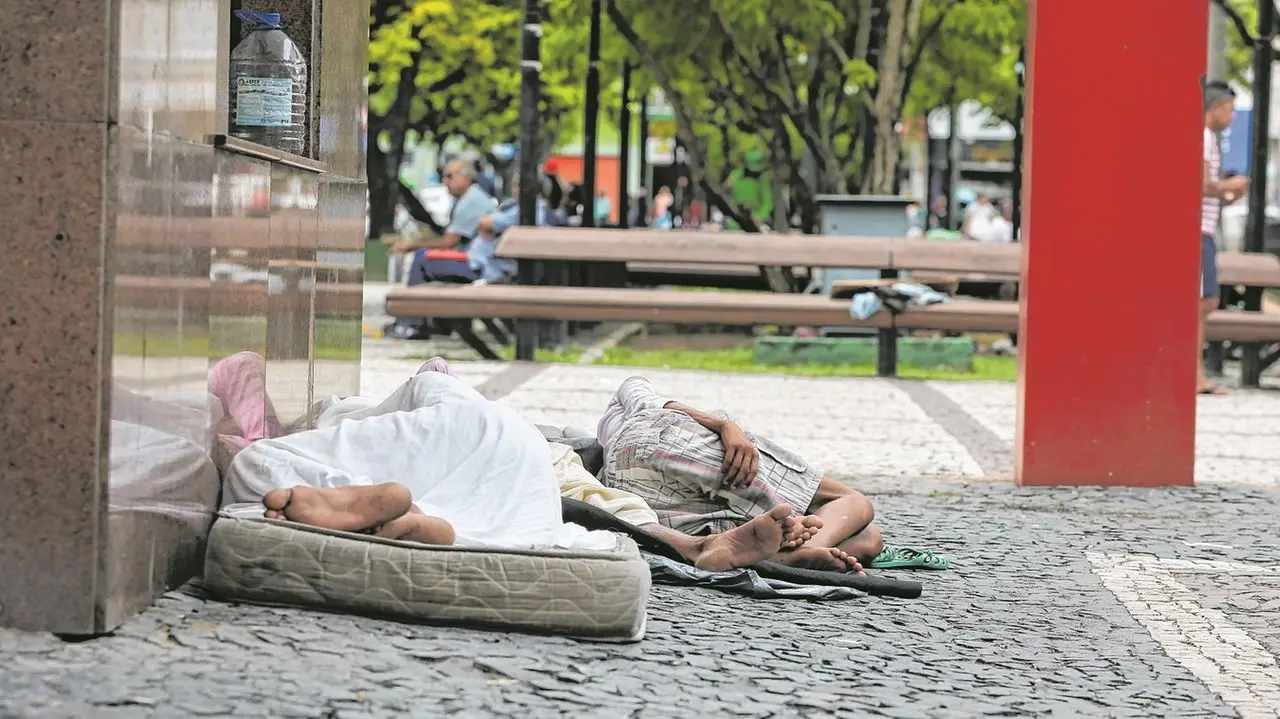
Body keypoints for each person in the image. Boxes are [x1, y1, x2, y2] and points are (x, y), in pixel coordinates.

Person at [210, 353, 802, 570]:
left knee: (253, 471)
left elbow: (240, 377)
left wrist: (722, 423)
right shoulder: (440, 400)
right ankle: (409, 517)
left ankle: (396, 512)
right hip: (510, 461)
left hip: (507, 452)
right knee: (532, 523)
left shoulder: (363, 414)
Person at [596, 376, 884, 573]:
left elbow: (632, 386)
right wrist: (723, 424)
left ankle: (780, 556)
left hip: (635, 495)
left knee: (867, 540)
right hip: (660, 440)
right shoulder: (634, 419)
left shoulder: (604, 443)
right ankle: (797, 550)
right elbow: (633, 385)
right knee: (852, 501)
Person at [385, 160, 497, 339]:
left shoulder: (472, 201)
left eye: (450, 176)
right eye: (443, 176)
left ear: (466, 177)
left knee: (423, 259)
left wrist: (411, 245)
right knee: (429, 260)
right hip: (477, 261)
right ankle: (436, 323)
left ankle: (412, 325)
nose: (445, 181)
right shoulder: (469, 198)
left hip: (479, 266)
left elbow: (449, 242)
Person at [1199, 81, 1248, 396]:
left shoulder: (1210, 140)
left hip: (1206, 226)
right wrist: (1232, 185)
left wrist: (1229, 194)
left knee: (1204, 302)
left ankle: (1196, 374)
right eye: (1230, 109)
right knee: (1203, 302)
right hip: (1199, 231)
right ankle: (1195, 375)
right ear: (1215, 108)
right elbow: (1202, 184)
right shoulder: (1204, 137)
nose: (1232, 116)